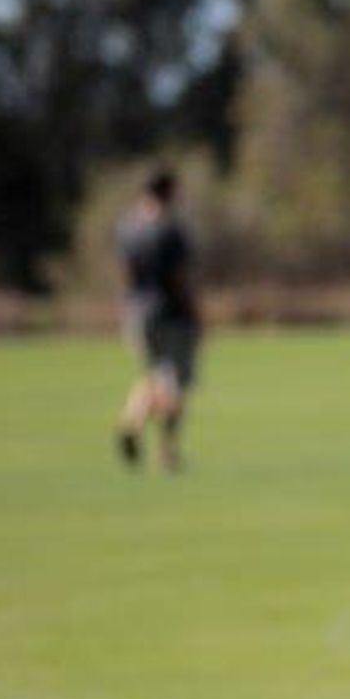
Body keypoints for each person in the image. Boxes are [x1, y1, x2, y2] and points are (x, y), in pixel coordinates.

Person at [114, 166, 200, 472]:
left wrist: (128, 308)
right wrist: (193, 311)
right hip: (171, 314)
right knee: (173, 386)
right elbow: (179, 278)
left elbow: (125, 274)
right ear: (169, 191)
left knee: (154, 375)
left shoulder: (128, 228)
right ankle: (167, 453)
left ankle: (132, 419)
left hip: (139, 313)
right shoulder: (171, 231)